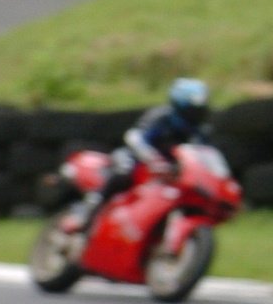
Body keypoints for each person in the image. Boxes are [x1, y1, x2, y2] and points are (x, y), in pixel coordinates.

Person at [74, 78, 214, 232]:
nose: (199, 112)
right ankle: (87, 210)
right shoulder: (162, 117)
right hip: (138, 159)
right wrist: (152, 158)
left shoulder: (200, 131)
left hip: (169, 172)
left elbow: (202, 155)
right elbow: (134, 137)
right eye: (195, 108)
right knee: (123, 172)